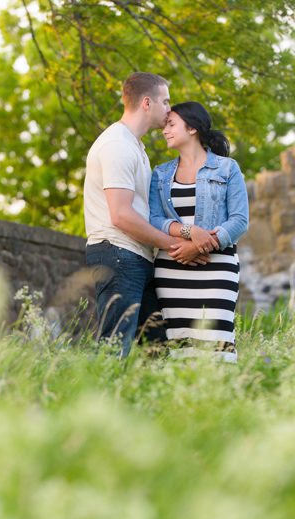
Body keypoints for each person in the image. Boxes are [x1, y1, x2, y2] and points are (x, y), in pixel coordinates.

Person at [84, 73, 209, 357]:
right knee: (115, 347)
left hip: (137, 256)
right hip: (117, 254)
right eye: (165, 102)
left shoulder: (135, 146)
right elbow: (121, 215)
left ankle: (144, 400)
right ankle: (97, 400)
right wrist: (176, 245)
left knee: (157, 350)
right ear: (147, 102)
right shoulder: (117, 145)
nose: (169, 110)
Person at [148, 102, 249, 362]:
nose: (165, 130)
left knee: (218, 345)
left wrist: (201, 245)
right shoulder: (160, 174)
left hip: (217, 268)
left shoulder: (228, 168)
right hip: (173, 267)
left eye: (171, 125)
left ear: (191, 128)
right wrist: (189, 231)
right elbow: (154, 218)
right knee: (179, 347)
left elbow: (239, 220)